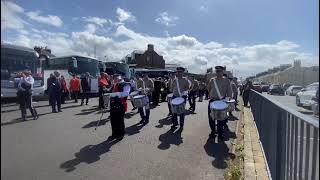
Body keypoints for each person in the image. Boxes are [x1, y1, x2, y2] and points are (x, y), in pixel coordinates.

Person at [207, 66, 232, 140]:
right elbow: (208, 89)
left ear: (223, 72)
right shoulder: (212, 80)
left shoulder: (226, 80)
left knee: (221, 119)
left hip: (222, 101)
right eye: (217, 71)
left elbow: (229, 91)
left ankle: (220, 133)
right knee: (211, 117)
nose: (218, 72)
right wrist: (211, 95)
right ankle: (213, 131)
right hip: (213, 101)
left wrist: (227, 99)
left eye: (220, 71)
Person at [108, 74, 131, 140]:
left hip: (121, 104)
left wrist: (116, 94)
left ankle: (120, 134)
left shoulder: (126, 84)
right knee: (113, 120)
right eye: (114, 78)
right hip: (113, 104)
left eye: (115, 78)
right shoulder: (114, 84)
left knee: (120, 120)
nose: (114, 79)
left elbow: (126, 93)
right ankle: (114, 134)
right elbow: (110, 92)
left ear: (120, 78)